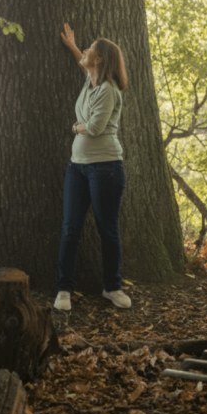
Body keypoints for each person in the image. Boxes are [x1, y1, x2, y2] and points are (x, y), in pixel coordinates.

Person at [54, 23, 131, 311]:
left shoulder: (109, 91)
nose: (85, 51)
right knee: (69, 229)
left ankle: (112, 287)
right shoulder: (91, 79)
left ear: (100, 60)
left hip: (106, 168)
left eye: (90, 50)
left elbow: (96, 128)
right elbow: (82, 62)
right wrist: (74, 47)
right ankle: (64, 290)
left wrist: (76, 127)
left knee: (107, 230)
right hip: (77, 168)